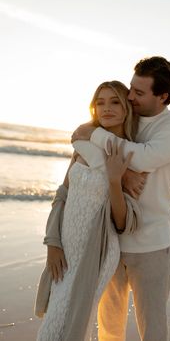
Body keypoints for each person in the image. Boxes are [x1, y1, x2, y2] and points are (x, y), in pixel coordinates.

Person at [71, 56, 170, 341]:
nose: (129, 96)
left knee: (152, 327)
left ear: (162, 96)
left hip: (151, 243)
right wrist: (120, 173)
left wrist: (96, 134)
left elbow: (145, 157)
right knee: (109, 326)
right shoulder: (127, 116)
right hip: (111, 238)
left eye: (139, 92)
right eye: (131, 88)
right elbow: (80, 139)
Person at [34, 81, 142, 341]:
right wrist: (52, 243)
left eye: (115, 101)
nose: (106, 108)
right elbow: (62, 195)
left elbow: (121, 222)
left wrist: (116, 180)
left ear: (127, 107)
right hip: (65, 249)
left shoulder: (129, 154)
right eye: (100, 102)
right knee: (60, 323)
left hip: (96, 253)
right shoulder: (82, 144)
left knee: (63, 326)